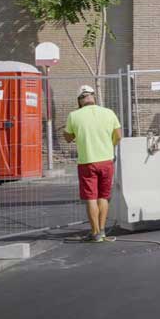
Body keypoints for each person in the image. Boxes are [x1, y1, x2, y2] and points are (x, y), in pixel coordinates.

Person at [63, 85, 122, 243]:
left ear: (80, 100)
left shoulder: (74, 116)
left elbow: (68, 137)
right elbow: (118, 135)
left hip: (87, 162)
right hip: (106, 160)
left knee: (90, 198)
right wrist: (109, 147)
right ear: (93, 97)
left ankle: (95, 233)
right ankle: (102, 231)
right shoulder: (109, 113)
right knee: (103, 196)